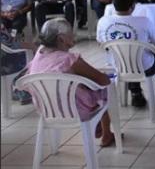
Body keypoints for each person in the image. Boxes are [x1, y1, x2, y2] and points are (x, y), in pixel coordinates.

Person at [27, 18, 117, 146]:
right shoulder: (69, 59)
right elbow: (103, 80)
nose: (74, 36)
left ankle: (100, 127)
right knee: (104, 88)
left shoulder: (39, 54)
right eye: (71, 34)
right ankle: (106, 134)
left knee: (81, 85)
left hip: (46, 109)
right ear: (61, 39)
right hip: (74, 111)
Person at [96, 0, 155, 108]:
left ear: (113, 4)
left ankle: (135, 93)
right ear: (133, 6)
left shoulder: (103, 21)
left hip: (118, 65)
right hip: (146, 67)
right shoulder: (143, 21)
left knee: (129, 57)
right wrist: (146, 45)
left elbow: (101, 43)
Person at [0, 24, 34, 104]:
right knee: (32, 58)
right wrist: (33, 46)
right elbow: (12, 44)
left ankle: (18, 90)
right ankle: (23, 93)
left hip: (5, 58)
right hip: (7, 62)